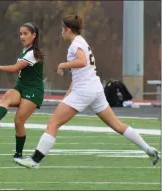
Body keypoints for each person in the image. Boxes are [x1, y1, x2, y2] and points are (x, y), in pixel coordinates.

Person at [15, 15, 160, 168]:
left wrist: (62, 65)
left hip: (84, 91)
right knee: (117, 124)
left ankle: (34, 160)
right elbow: (79, 74)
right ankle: (148, 149)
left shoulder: (75, 44)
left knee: (53, 123)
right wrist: (67, 96)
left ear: (68, 30)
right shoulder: (81, 41)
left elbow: (82, 61)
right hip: (95, 89)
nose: (61, 33)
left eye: (62, 29)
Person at [0, 22, 44, 162]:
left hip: (33, 90)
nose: (22, 36)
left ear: (34, 35)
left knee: (18, 121)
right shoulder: (25, 50)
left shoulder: (32, 53)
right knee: (7, 96)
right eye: (20, 34)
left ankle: (18, 154)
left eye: (25, 34)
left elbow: (15, 68)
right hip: (21, 87)